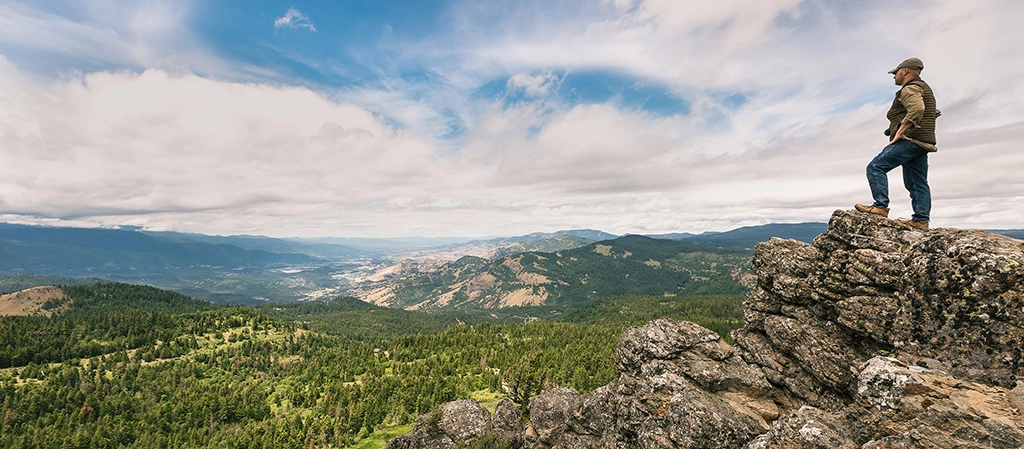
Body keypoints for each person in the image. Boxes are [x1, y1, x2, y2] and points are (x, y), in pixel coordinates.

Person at [855, 57, 940, 229]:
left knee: (876, 167)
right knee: (917, 181)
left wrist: (901, 131)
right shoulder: (924, 88)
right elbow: (931, 111)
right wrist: (894, 127)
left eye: (896, 72)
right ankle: (921, 220)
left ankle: (880, 206)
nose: (894, 76)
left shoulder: (910, 88)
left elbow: (917, 109)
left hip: (911, 140)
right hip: (922, 142)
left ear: (905, 71)